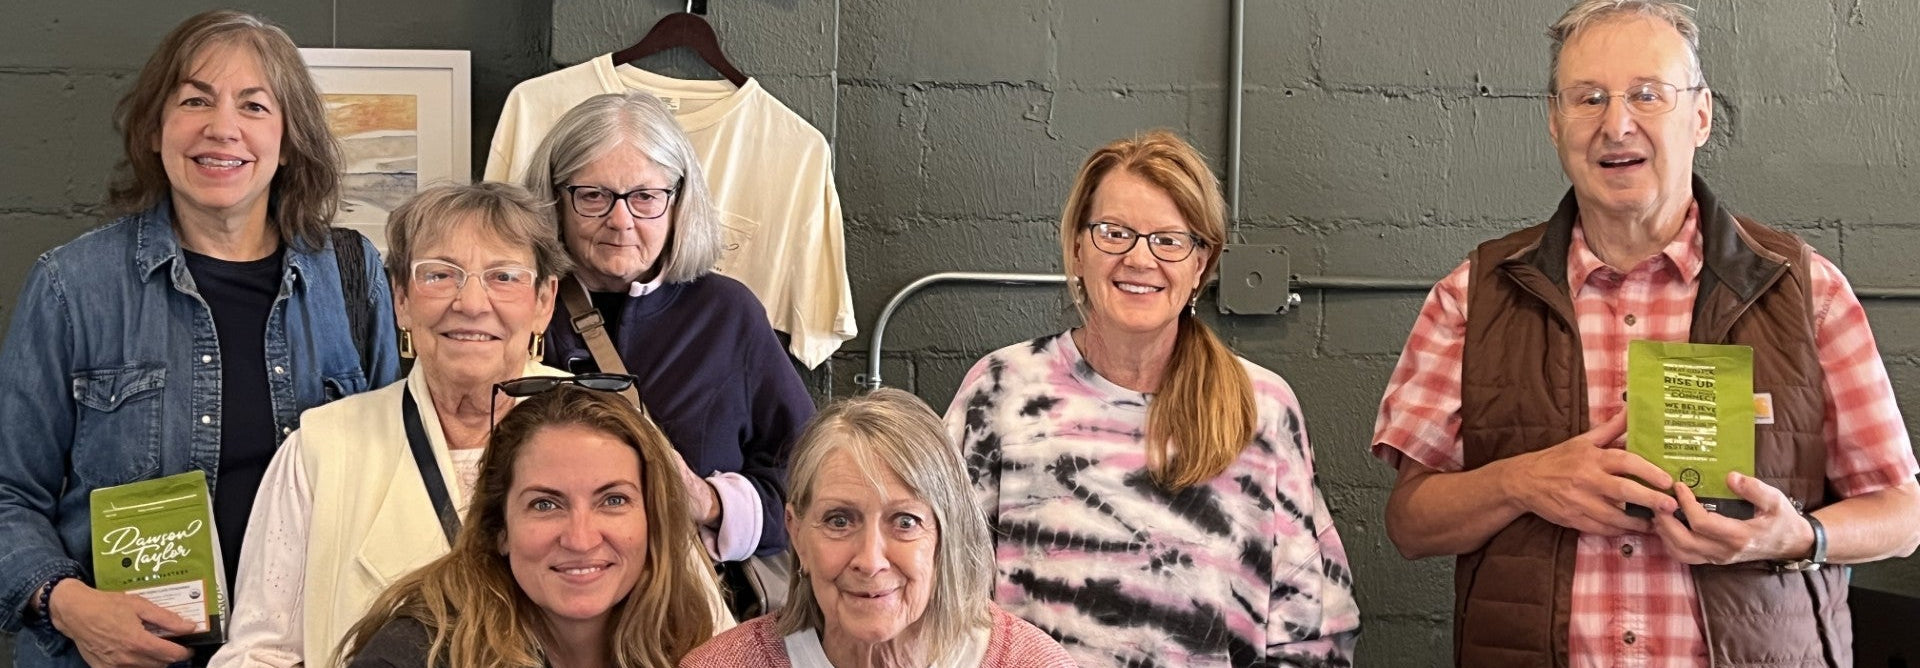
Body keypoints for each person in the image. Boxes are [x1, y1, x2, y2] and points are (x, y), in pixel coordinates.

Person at [1372, 2, 1920, 666]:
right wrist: (1521, 481)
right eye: (1589, 98)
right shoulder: (1474, 294)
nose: (1616, 123)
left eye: (1647, 95)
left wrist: (1793, 537)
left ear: (1701, 115)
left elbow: (1902, 515)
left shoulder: (1805, 291)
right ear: (1554, 121)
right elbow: (1409, 523)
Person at [0, 9, 399, 668]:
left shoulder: (352, 279)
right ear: (156, 129)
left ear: (289, 136)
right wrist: (67, 603)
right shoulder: (73, 287)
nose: (223, 128)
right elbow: (10, 493)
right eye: (195, 100)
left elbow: (395, 481)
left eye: (254, 105)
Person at [944, 131, 1359, 667]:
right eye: (1114, 232)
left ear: (1201, 265)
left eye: (1169, 240)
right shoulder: (1000, 390)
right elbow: (940, 591)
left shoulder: (1261, 409)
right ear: (1077, 247)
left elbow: (1315, 630)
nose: (1140, 259)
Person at [212, 182, 574, 668]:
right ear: (401, 298)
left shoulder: (609, 428)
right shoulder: (322, 449)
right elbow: (257, 655)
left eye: (503, 276)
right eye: (439, 275)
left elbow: (687, 625)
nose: (470, 303)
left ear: (544, 302)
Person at [519, 91, 814, 603]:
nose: (621, 220)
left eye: (645, 197)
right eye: (593, 195)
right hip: (540, 613)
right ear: (554, 199)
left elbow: (814, 483)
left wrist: (712, 503)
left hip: (687, 615)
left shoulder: (726, 314)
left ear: (678, 202)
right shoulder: (518, 302)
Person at [339, 383, 730, 668]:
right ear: (501, 529)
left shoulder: (689, 641)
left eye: (613, 500)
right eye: (545, 504)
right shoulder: (413, 655)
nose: (581, 538)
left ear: (653, 520)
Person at [681, 389, 1074, 668]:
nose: (870, 561)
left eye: (905, 522)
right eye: (839, 521)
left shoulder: (1031, 661)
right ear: (797, 534)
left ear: (946, 536)